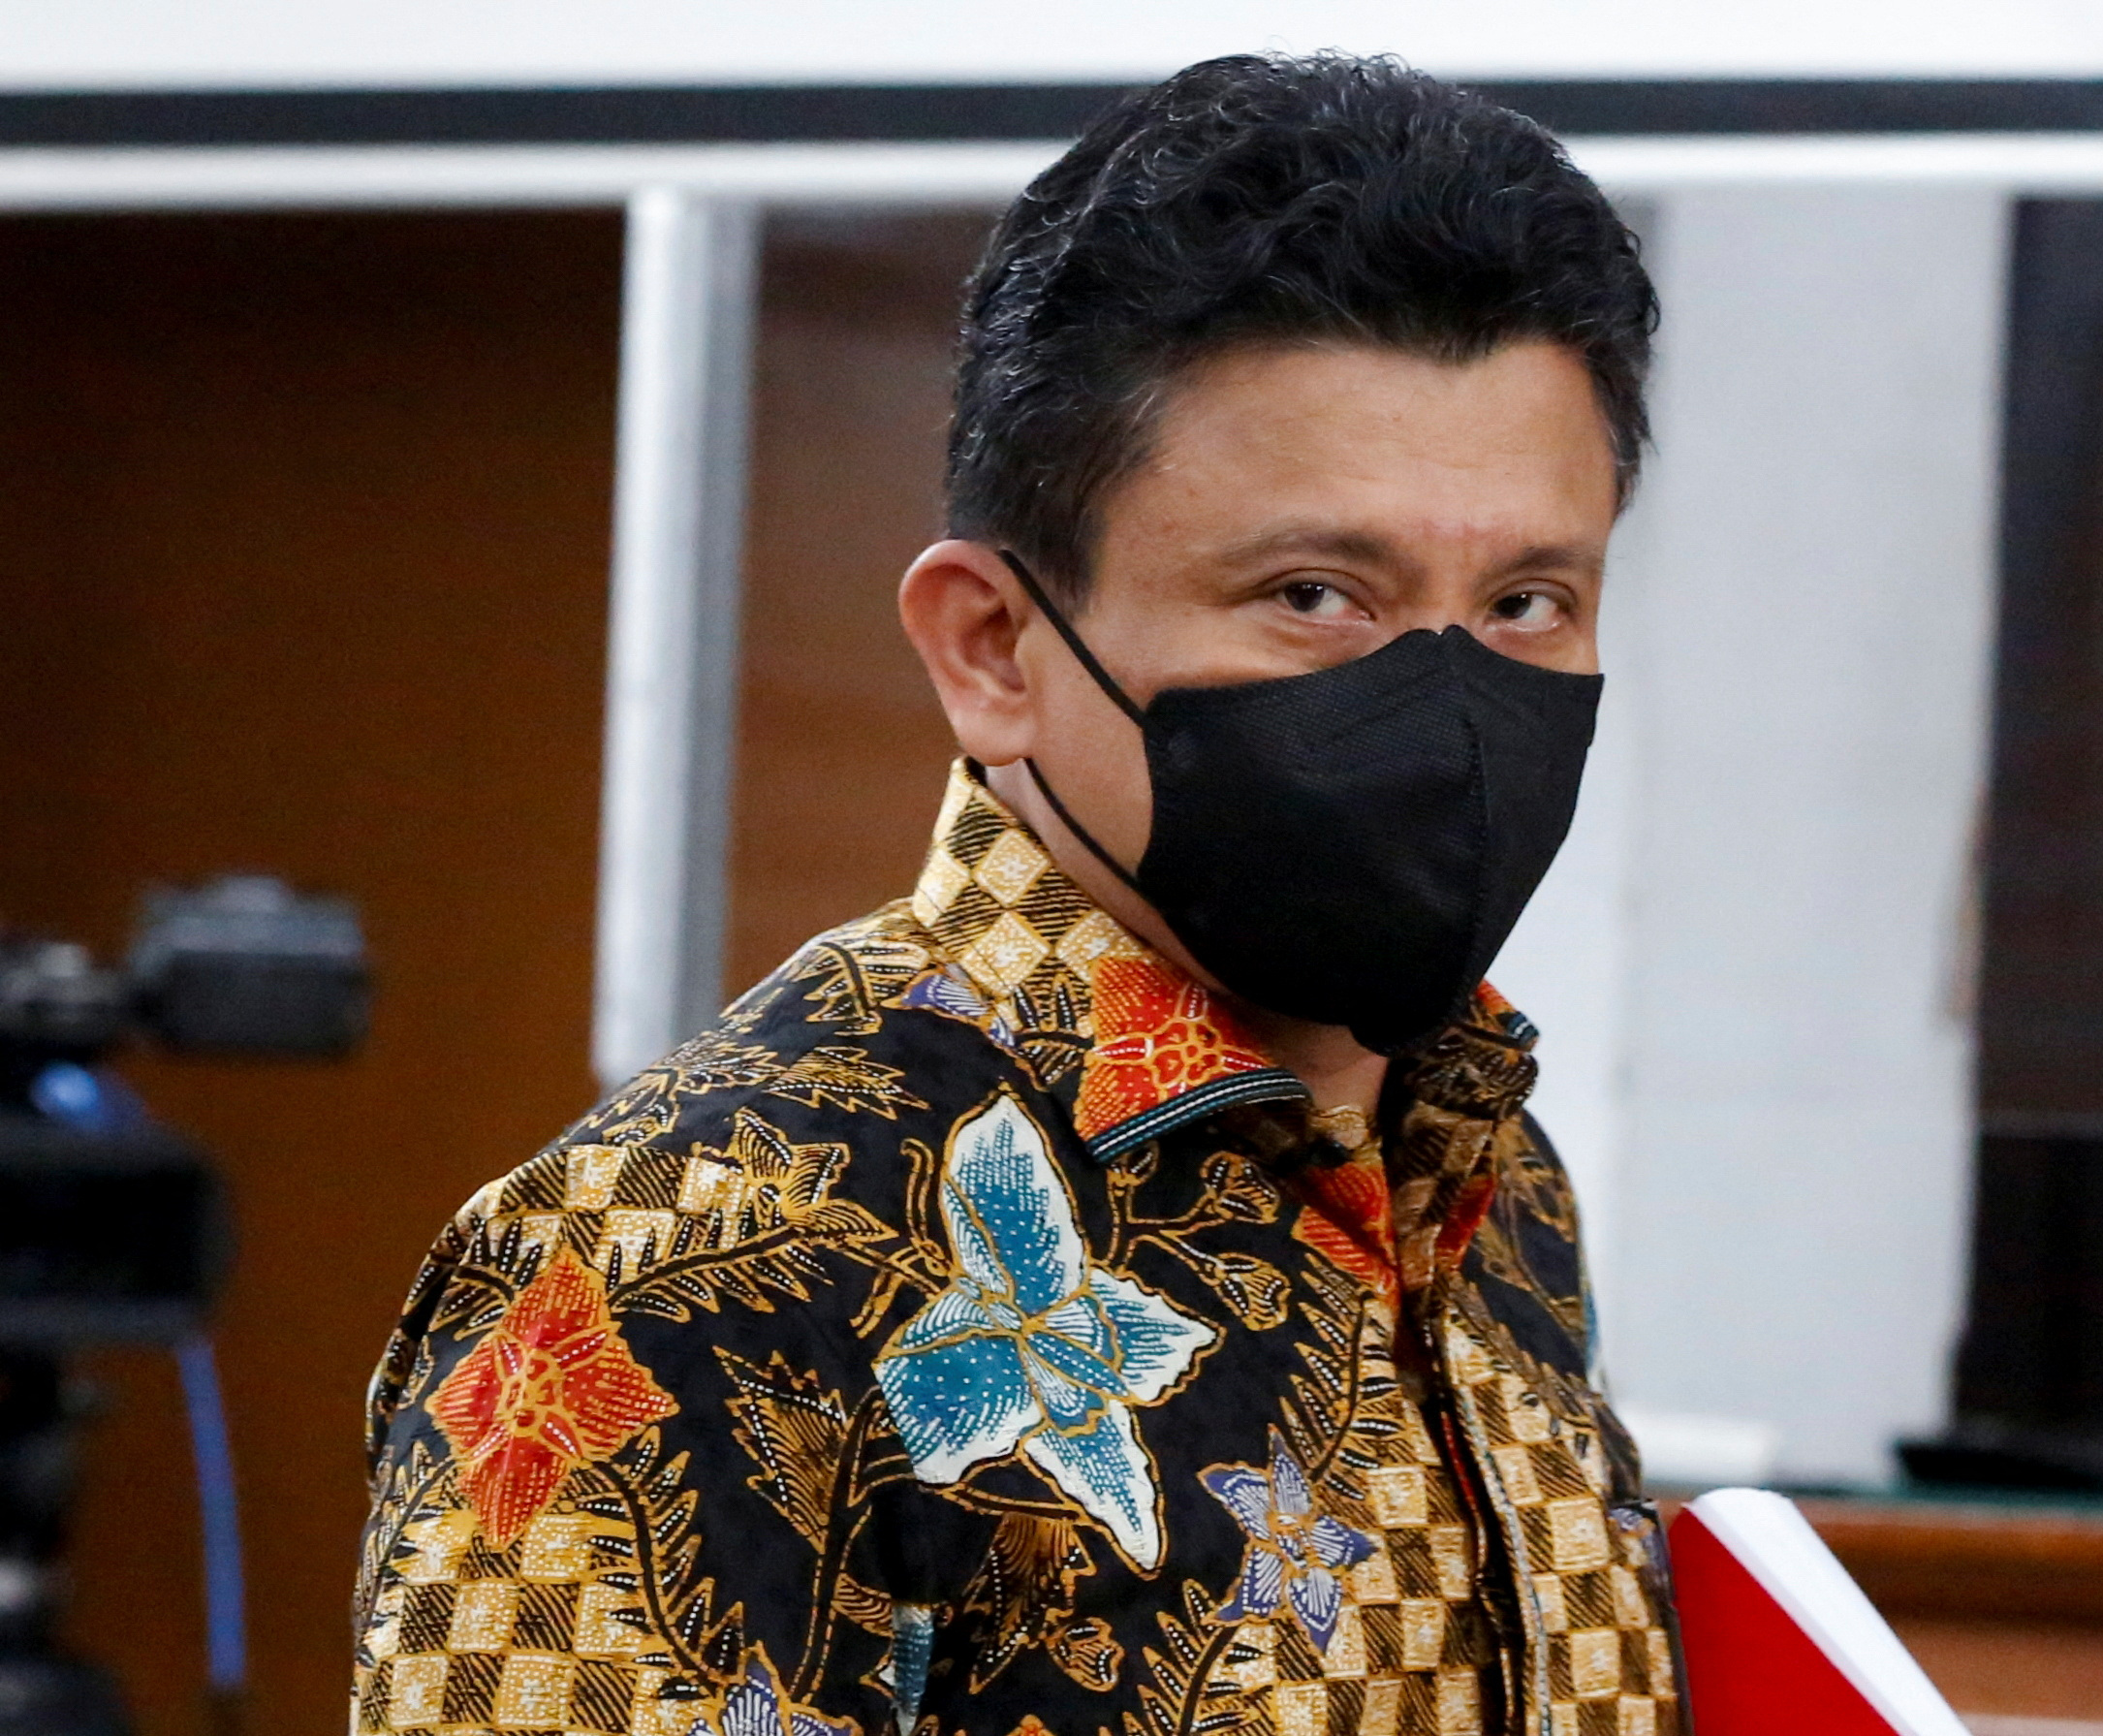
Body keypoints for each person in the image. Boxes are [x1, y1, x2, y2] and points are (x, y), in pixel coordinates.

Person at [351, 51, 1675, 1736]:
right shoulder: (701, 1260)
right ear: (992, 648)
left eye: (1528, 602)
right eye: (1317, 593)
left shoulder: (1483, 1172)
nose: (1446, 699)